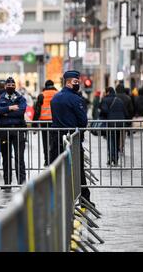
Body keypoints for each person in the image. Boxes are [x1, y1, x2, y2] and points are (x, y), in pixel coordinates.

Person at [50, 70, 91, 204]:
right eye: (75, 82)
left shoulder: (55, 98)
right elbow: (82, 120)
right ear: (68, 82)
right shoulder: (75, 99)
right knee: (78, 170)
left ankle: (58, 198)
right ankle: (84, 198)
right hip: (72, 138)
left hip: (56, 138)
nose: (77, 84)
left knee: (58, 168)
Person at [0, 77, 27, 187]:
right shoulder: (0, 98)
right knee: (6, 158)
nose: (10, 88)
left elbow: (21, 111)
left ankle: (22, 183)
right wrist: (10, 108)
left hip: (18, 130)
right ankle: (7, 182)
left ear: (15, 86)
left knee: (20, 158)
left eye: (12, 86)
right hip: (5, 131)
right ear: (5, 87)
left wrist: (5, 113)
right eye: (8, 86)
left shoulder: (21, 98)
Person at [99, 87, 127, 166]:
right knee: (117, 140)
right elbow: (125, 112)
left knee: (111, 140)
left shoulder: (105, 100)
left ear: (108, 92)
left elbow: (104, 111)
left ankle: (111, 158)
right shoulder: (119, 100)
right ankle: (116, 158)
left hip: (110, 123)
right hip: (120, 124)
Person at [33, 80, 58, 167]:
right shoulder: (58, 94)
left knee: (45, 142)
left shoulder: (41, 95)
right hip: (56, 122)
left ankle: (47, 161)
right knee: (55, 141)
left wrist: (34, 125)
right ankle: (54, 161)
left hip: (44, 122)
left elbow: (37, 111)